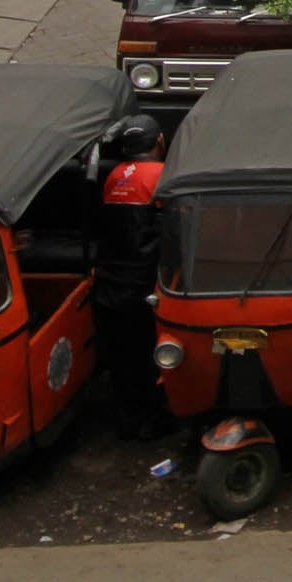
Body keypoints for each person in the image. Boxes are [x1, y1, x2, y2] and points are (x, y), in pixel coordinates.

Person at [95, 114, 168, 437]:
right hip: (144, 283)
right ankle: (154, 422)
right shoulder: (162, 176)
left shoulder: (113, 178)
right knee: (148, 354)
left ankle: (128, 420)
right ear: (159, 142)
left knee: (122, 357)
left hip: (112, 283)